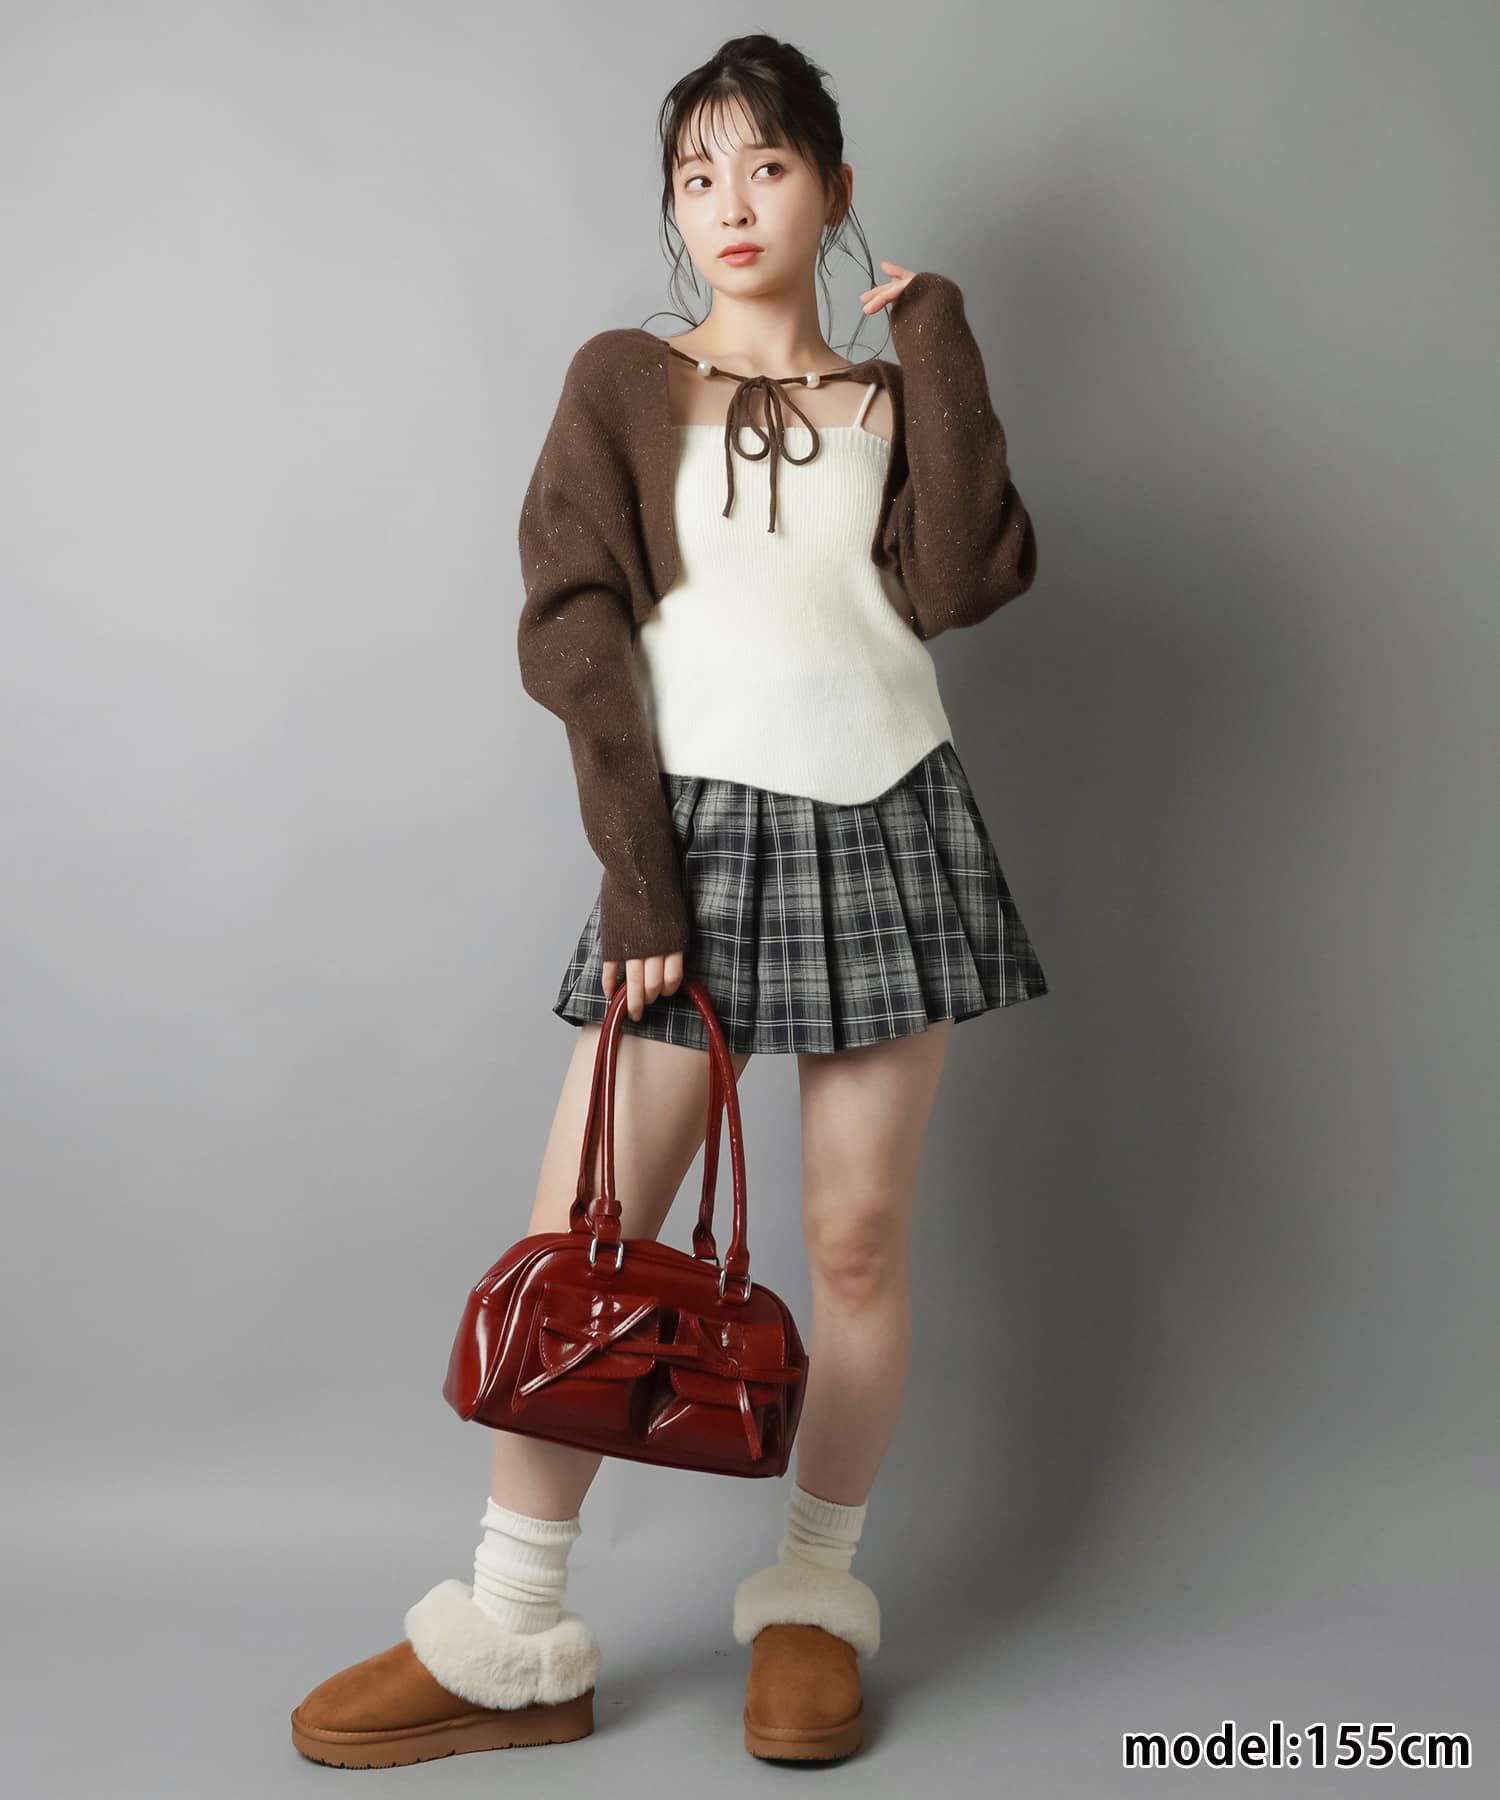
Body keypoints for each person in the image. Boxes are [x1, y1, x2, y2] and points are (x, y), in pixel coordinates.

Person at [290, 30, 1049, 1770]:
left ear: (833, 190)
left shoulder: (889, 393)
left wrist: (935, 341)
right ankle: (512, 1632)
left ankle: (811, 1604)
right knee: (588, 1241)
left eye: (766, 167)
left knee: (853, 1243)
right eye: (698, 175)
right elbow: (573, 627)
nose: (731, 203)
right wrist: (639, 874)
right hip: (692, 841)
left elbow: (959, 578)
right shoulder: (625, 380)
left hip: (888, 821)